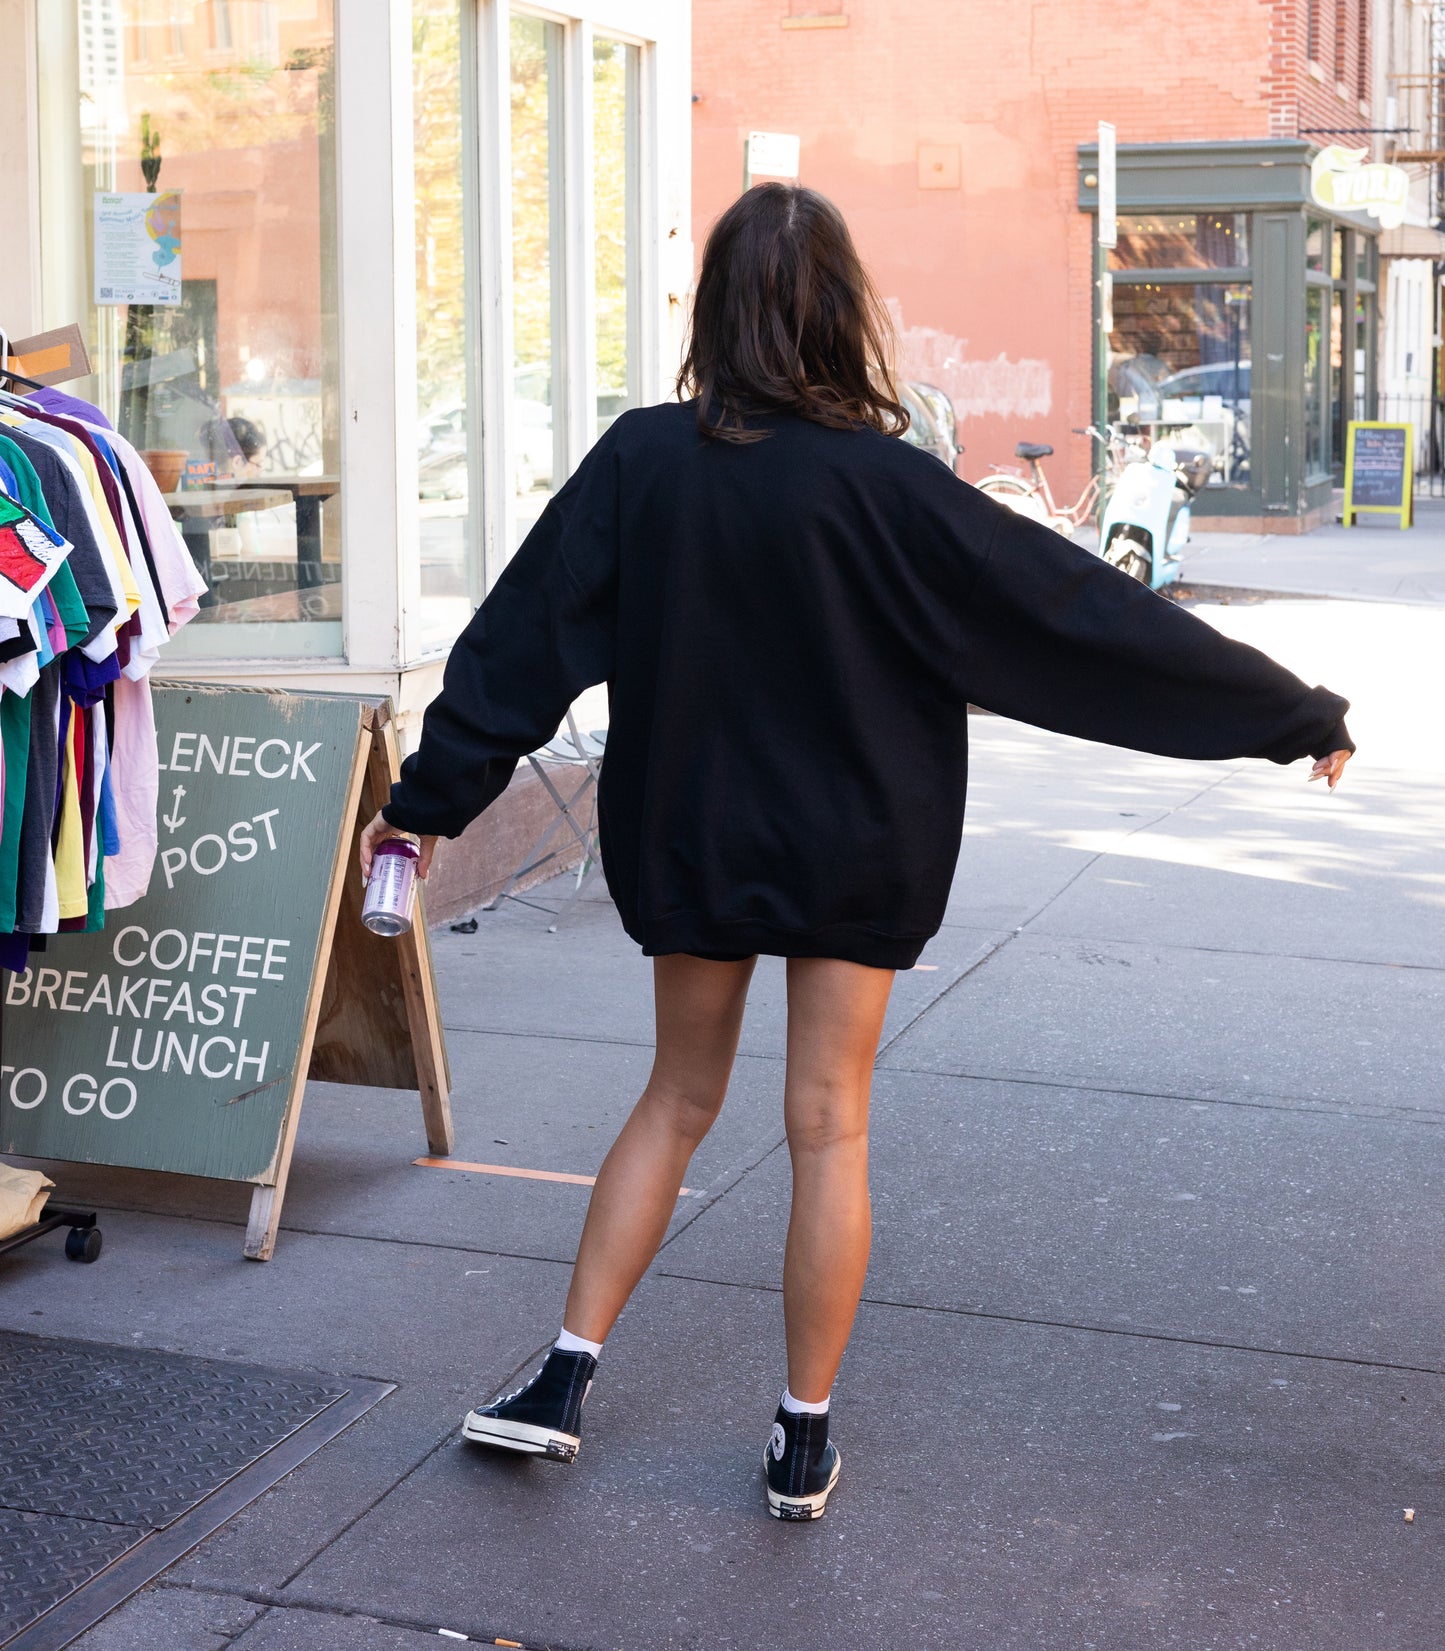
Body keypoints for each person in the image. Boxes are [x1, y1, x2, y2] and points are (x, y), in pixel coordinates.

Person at [360, 184, 1352, 1523]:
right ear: (842, 315)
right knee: (828, 1130)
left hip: (697, 827)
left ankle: (560, 1381)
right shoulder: (895, 487)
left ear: (711, 311)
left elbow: (517, 644)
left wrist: (424, 803)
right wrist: (1283, 713)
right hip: (859, 837)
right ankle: (799, 1440)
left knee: (673, 1097)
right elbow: (1079, 618)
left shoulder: (642, 464)